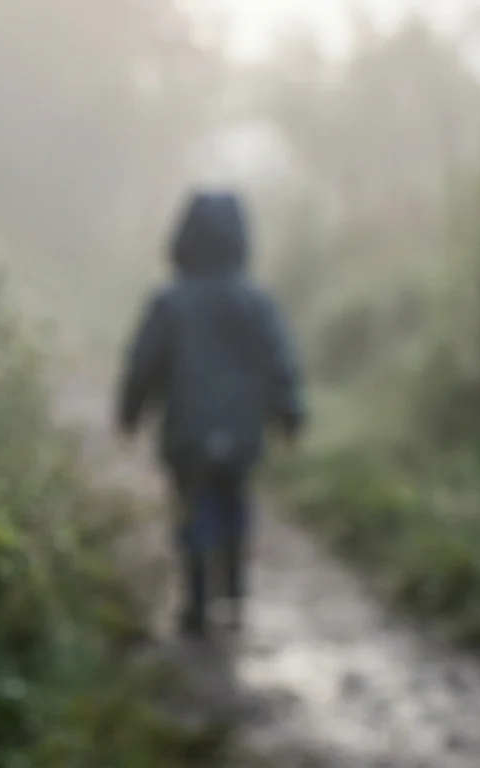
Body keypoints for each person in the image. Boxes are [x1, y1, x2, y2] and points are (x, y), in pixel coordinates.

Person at [116, 190, 305, 637]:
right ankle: (235, 593)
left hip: (187, 431)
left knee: (193, 508)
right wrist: (290, 413)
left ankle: (198, 598)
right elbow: (281, 361)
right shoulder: (257, 303)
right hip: (242, 433)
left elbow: (144, 362)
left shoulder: (170, 302)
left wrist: (131, 410)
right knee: (235, 504)